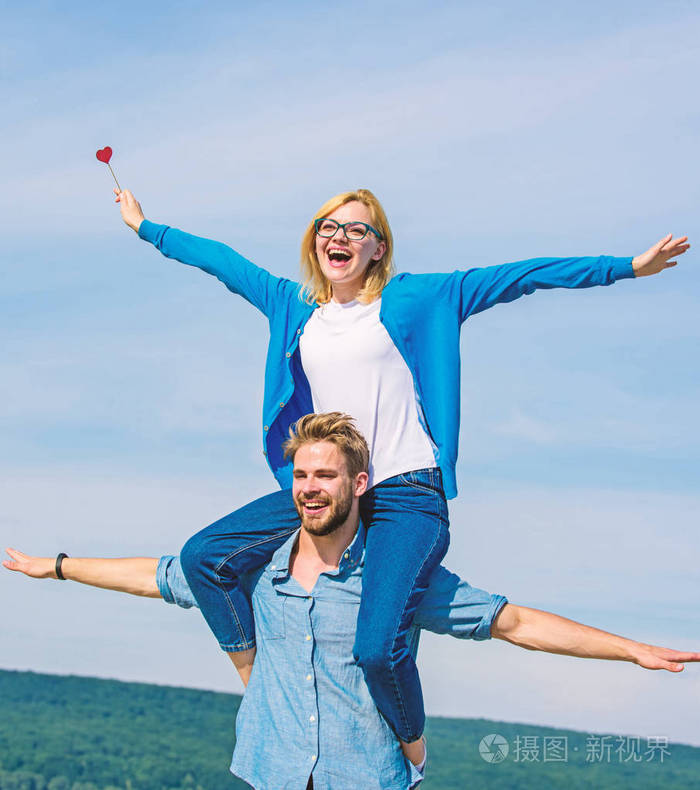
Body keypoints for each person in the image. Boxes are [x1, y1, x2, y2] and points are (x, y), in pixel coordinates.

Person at [113, 185, 690, 761]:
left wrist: (627, 268)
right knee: (204, 557)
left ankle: (411, 746)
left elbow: (522, 275)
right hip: (331, 492)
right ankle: (257, 675)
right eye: (327, 227)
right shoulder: (293, 306)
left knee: (376, 649)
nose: (338, 238)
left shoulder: (421, 298)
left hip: (405, 494)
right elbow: (220, 261)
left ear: (378, 248)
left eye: (355, 230)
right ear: (314, 241)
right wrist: (146, 228)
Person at [5, 413, 698, 789]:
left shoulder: (396, 581)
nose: (311, 487)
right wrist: (57, 567)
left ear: (359, 484)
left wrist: (631, 649)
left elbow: (512, 621)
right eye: (301, 475)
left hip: (368, 776)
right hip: (270, 773)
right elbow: (152, 575)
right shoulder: (253, 570)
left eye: (326, 475)